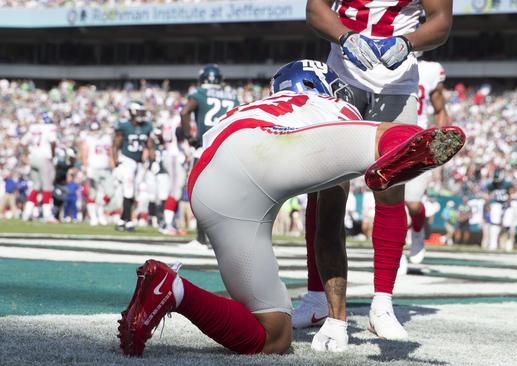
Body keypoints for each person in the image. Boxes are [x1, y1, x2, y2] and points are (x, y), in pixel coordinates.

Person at [117, 61, 465, 356]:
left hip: (208, 184)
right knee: (390, 132)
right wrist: (337, 319)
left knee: (274, 334)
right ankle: (392, 153)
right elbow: (328, 231)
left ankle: (173, 290)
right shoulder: (331, 106)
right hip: (271, 149)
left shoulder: (251, 105)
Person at [298, 0, 453, 343]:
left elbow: (441, 21)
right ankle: (316, 296)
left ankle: (382, 304)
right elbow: (315, 8)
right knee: (326, 187)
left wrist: (408, 42)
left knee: (391, 189)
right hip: (342, 76)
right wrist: (345, 37)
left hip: (397, 85)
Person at [180, 64, 240, 247]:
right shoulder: (233, 96)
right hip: (226, 149)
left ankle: (200, 239)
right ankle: (225, 238)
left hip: (205, 148)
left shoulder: (199, 93)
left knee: (201, 195)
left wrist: (189, 137)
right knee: (224, 196)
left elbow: (184, 112)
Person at [407, 59, 449, 264]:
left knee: (413, 204)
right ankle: (395, 254)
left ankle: (417, 230)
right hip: (388, 137)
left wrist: (440, 146)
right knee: (390, 202)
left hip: (419, 141)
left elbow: (440, 110)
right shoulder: (379, 66)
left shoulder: (430, 69)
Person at [113, 101, 154, 232]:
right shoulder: (124, 126)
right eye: (139, 112)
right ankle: (129, 221)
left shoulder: (147, 126)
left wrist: (151, 155)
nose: (141, 114)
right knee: (128, 190)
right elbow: (116, 144)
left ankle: (121, 220)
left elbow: (148, 143)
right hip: (126, 160)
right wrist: (115, 160)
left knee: (133, 193)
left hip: (138, 163)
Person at [21, 112, 58, 222]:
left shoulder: (34, 128)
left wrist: (27, 155)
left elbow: (23, 142)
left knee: (36, 186)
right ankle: (47, 215)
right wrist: (52, 155)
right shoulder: (49, 128)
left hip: (33, 158)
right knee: (47, 187)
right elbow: (53, 142)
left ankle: (27, 213)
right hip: (44, 158)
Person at [80, 121, 114, 226]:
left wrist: (113, 165)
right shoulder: (88, 139)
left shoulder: (106, 138)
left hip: (105, 168)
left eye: (96, 130)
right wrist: (86, 167)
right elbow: (84, 153)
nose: (95, 132)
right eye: (93, 130)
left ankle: (100, 211)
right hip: (93, 168)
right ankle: (93, 217)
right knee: (92, 193)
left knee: (110, 192)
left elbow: (110, 153)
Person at [487, 169, 514, 251]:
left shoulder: (507, 184)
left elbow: (511, 194)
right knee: (494, 224)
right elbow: (488, 194)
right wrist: (488, 204)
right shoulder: (492, 184)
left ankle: (509, 243)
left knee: (507, 224)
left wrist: (508, 203)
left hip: (507, 205)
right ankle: (493, 244)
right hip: (497, 204)